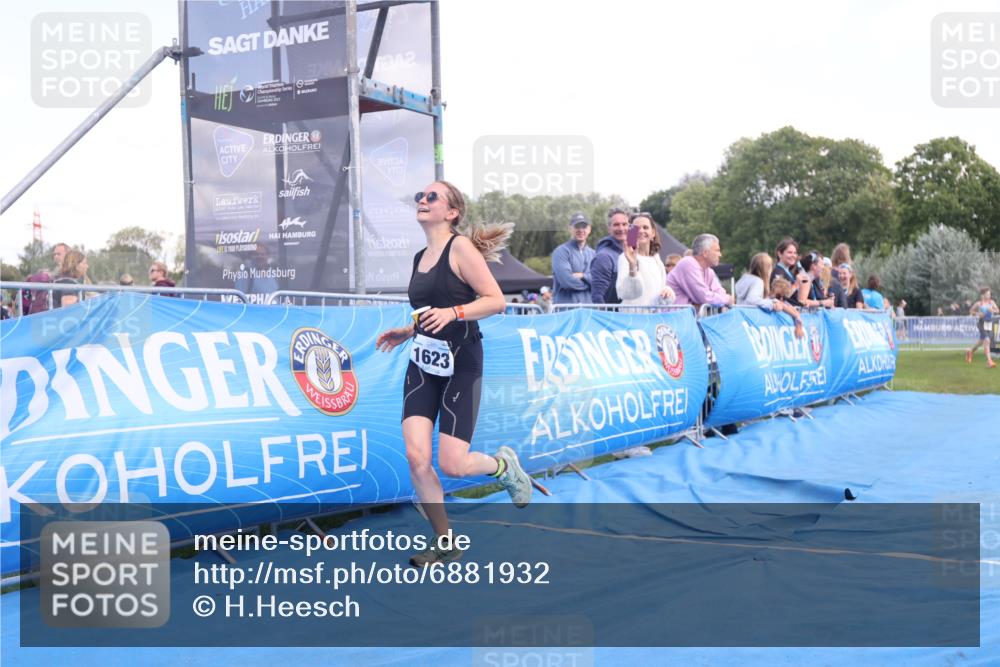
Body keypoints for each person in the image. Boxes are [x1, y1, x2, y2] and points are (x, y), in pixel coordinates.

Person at [375, 181, 533, 567]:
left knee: (452, 464)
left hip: (462, 360)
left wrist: (454, 314)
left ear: (452, 212)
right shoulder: (419, 257)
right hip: (423, 362)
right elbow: (432, 308)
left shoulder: (459, 247)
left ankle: (503, 467)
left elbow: (495, 300)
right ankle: (445, 542)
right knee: (415, 456)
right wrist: (409, 330)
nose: (422, 201)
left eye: (432, 197)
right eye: (419, 196)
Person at [735, 253, 805, 334]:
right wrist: (772, 304)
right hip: (750, 322)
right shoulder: (758, 281)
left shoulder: (746, 279)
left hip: (742, 320)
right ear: (766, 268)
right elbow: (752, 299)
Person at [615, 213, 676, 307]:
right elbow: (625, 293)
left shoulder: (657, 262)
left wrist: (667, 292)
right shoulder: (624, 258)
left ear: (653, 233)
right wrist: (632, 266)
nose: (641, 231)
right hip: (633, 318)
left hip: (654, 318)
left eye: (645, 227)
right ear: (631, 233)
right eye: (637, 228)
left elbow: (660, 298)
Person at [665, 233, 732, 308]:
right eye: (717, 250)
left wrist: (721, 298)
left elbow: (719, 292)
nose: (720, 254)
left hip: (685, 317)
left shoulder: (709, 271)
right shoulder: (688, 263)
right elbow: (704, 297)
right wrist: (727, 299)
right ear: (705, 253)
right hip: (673, 317)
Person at [551, 213, 595, 304]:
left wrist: (583, 276)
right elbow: (566, 282)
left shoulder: (594, 254)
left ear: (589, 229)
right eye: (577, 226)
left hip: (589, 311)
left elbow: (599, 280)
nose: (580, 230)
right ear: (570, 228)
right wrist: (590, 283)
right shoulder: (560, 252)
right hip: (566, 312)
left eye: (584, 226)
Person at [590, 208, 630, 304]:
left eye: (624, 224)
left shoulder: (632, 251)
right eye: (616, 225)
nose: (621, 228)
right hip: (613, 316)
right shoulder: (603, 257)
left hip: (631, 315)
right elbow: (598, 297)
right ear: (609, 229)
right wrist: (606, 318)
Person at [965, 287, 998, 368]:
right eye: (988, 294)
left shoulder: (991, 302)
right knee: (987, 340)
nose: (989, 295)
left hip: (989, 323)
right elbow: (971, 311)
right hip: (981, 323)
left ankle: (970, 352)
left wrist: (992, 310)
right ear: (983, 295)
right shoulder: (979, 304)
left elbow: (997, 310)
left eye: (990, 294)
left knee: (981, 341)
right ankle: (989, 361)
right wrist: (978, 314)